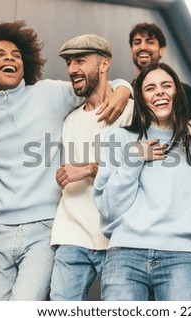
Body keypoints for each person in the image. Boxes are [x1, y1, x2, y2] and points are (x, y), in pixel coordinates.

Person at [0, 20, 132, 301]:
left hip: (46, 229)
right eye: (0, 55)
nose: (10, 58)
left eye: (16, 55)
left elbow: (96, 84)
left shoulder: (50, 94)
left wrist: (124, 88)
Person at [93, 62, 191, 301]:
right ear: (140, 98)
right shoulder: (118, 138)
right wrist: (134, 158)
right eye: (150, 88)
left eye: (166, 85)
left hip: (181, 259)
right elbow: (109, 208)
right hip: (125, 256)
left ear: (176, 94)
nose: (159, 91)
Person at [49, 34, 134, 301]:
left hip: (118, 238)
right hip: (72, 233)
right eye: (69, 62)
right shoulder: (69, 120)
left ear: (104, 64)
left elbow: (144, 172)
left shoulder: (131, 112)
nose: (72, 69)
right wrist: (63, 174)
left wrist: (88, 170)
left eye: (80, 60)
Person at [129, 22, 191, 120]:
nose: (142, 47)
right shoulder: (126, 94)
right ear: (131, 50)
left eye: (150, 42)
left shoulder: (184, 91)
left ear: (161, 50)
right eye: (137, 42)